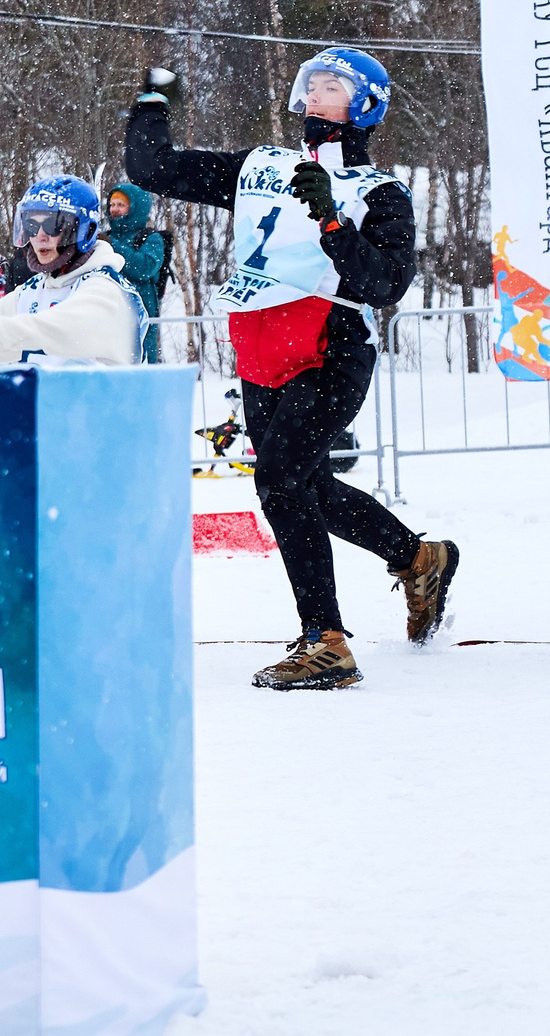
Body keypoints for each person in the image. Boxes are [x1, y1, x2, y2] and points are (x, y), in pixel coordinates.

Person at [126, 50, 459, 691]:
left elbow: (385, 283)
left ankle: (325, 642)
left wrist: (333, 220)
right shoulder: (261, 166)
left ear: (363, 106)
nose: (312, 94)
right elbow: (153, 169)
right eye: (309, 83)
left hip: (331, 350)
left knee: (279, 482)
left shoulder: (381, 190)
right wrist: (152, 105)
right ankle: (420, 558)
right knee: (303, 489)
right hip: (260, 350)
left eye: (329, 86)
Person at [0, 176, 148, 364]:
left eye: (53, 226)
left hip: (104, 393)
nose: (40, 236)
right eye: (31, 225)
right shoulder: (33, 290)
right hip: (48, 393)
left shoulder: (108, 290)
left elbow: (61, 330)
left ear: (83, 231)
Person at [103, 180, 169, 360]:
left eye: (121, 205)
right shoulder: (105, 236)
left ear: (135, 208)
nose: (114, 209)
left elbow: (144, 268)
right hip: (108, 308)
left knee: (141, 361)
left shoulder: (150, 238)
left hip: (140, 312)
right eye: (112, 205)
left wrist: (112, 246)